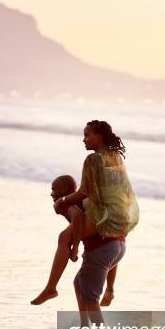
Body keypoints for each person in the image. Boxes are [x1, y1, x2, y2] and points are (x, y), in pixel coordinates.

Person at [30, 119, 139, 307]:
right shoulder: (116, 156)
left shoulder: (93, 159)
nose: (84, 140)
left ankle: (51, 288)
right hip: (123, 214)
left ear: (100, 136)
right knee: (84, 273)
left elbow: (84, 191)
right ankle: (107, 293)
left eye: (87, 135)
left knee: (64, 237)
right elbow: (118, 188)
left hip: (106, 214)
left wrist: (62, 201)